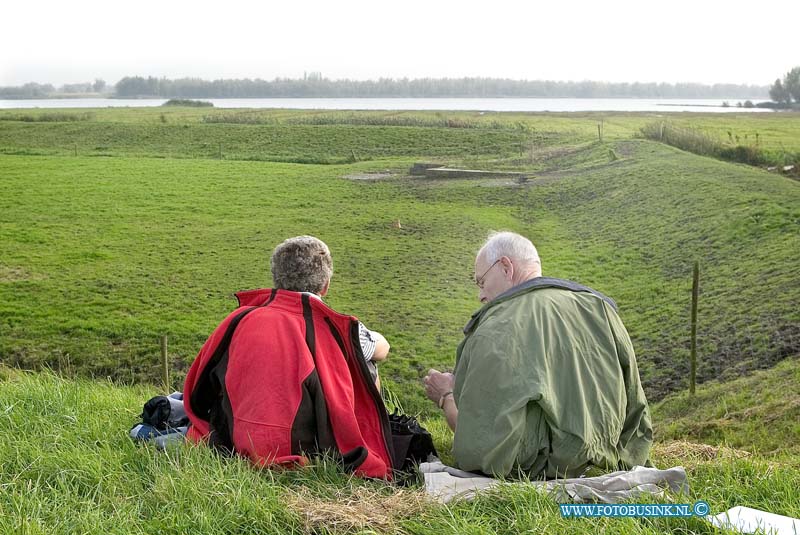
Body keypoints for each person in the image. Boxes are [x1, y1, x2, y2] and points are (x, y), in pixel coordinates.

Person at [424, 231, 652, 478]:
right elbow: (637, 409)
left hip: (539, 471)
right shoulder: (602, 310)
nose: (481, 295)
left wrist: (446, 396)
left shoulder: (494, 329)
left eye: (481, 282)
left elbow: (483, 451)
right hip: (610, 461)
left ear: (505, 267)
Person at [183, 236, 395, 478]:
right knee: (367, 362)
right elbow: (382, 349)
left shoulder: (240, 319)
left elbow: (199, 385)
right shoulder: (337, 329)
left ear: (276, 279)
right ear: (325, 285)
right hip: (306, 450)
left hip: (234, 439)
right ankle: (368, 432)